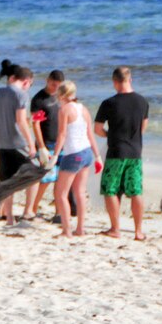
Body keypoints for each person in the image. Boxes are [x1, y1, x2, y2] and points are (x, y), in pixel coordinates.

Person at [94, 66, 149, 240]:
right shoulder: (143, 102)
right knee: (136, 191)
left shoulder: (109, 103)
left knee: (110, 189)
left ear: (114, 82)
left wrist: (110, 135)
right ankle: (138, 231)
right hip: (135, 151)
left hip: (116, 150)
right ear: (130, 80)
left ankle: (115, 228)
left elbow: (97, 129)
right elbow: (143, 128)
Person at [49, 81, 102, 239]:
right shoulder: (83, 109)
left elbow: (62, 134)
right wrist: (97, 156)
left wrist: (55, 155)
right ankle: (80, 228)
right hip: (86, 153)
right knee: (79, 191)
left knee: (61, 193)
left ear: (62, 94)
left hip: (73, 154)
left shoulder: (64, 109)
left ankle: (67, 230)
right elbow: (90, 134)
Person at [0, 60, 37, 227]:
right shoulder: (21, 94)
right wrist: (32, 144)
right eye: (29, 84)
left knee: (6, 182)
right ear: (26, 81)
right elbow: (21, 121)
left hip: (2, 143)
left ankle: (9, 218)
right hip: (18, 143)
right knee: (34, 174)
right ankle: (28, 211)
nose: (28, 87)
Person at [28, 69, 67, 220]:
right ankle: (33, 208)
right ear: (47, 80)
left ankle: (58, 212)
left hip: (62, 143)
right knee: (44, 179)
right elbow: (36, 124)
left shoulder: (62, 97)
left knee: (60, 179)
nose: (55, 88)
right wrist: (41, 146)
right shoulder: (39, 99)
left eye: (58, 85)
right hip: (47, 143)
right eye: (53, 84)